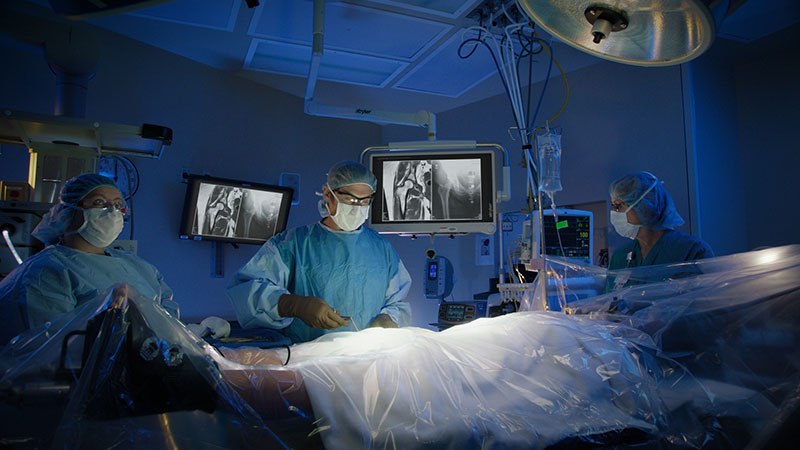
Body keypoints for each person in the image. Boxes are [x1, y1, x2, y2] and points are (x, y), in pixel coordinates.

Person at [226, 160, 412, 344]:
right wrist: (294, 305)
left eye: (365, 201)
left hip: (367, 358)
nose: (358, 207)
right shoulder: (294, 243)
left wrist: (389, 318)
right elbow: (249, 289)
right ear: (327, 194)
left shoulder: (381, 247)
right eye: (350, 199)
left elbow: (397, 301)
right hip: (309, 361)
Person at [0, 174, 174, 344]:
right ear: (69, 210)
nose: (112, 211)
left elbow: (168, 317)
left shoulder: (136, 265)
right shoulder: (45, 272)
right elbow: (51, 350)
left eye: (118, 205)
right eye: (99, 202)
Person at [608, 171, 713, 271]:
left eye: (618, 206)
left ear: (644, 206)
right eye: (613, 206)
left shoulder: (692, 251)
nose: (613, 212)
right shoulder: (619, 257)